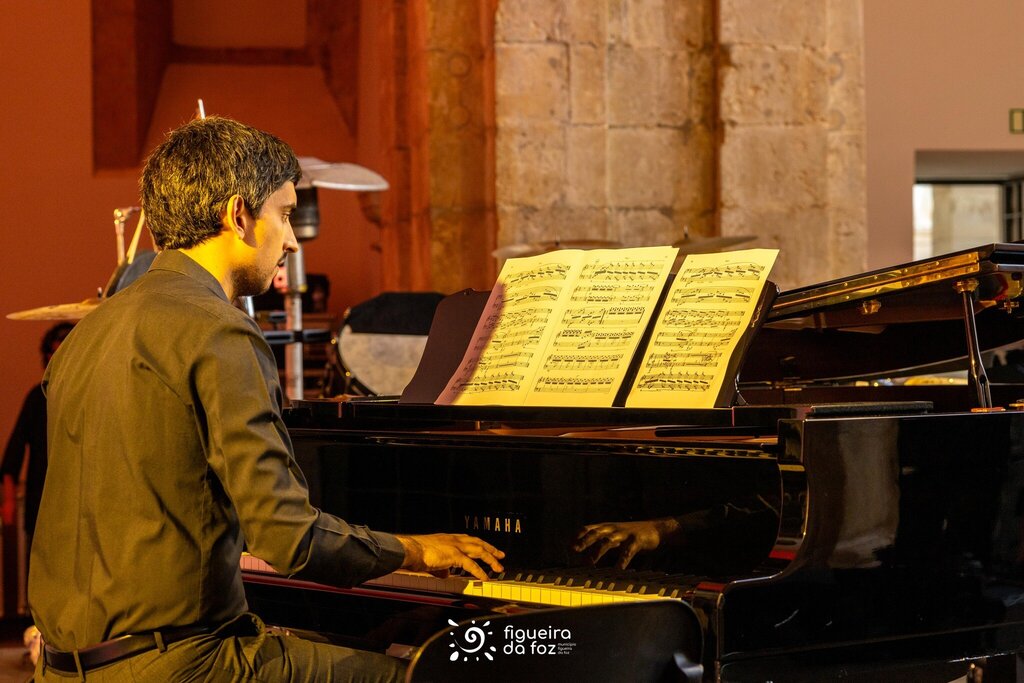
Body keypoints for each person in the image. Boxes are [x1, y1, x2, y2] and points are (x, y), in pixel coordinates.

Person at [29, 116, 504, 682]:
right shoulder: (219, 331)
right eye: (284, 213)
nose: (293, 240)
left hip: (63, 668)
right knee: (435, 676)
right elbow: (288, 539)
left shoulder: (84, 335)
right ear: (238, 216)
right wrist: (416, 550)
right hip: (183, 664)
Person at [1, 322, 73, 557]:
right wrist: (9, 501)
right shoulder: (37, 398)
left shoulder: (84, 396)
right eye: (54, 353)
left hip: (75, 505)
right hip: (41, 504)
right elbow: (14, 451)